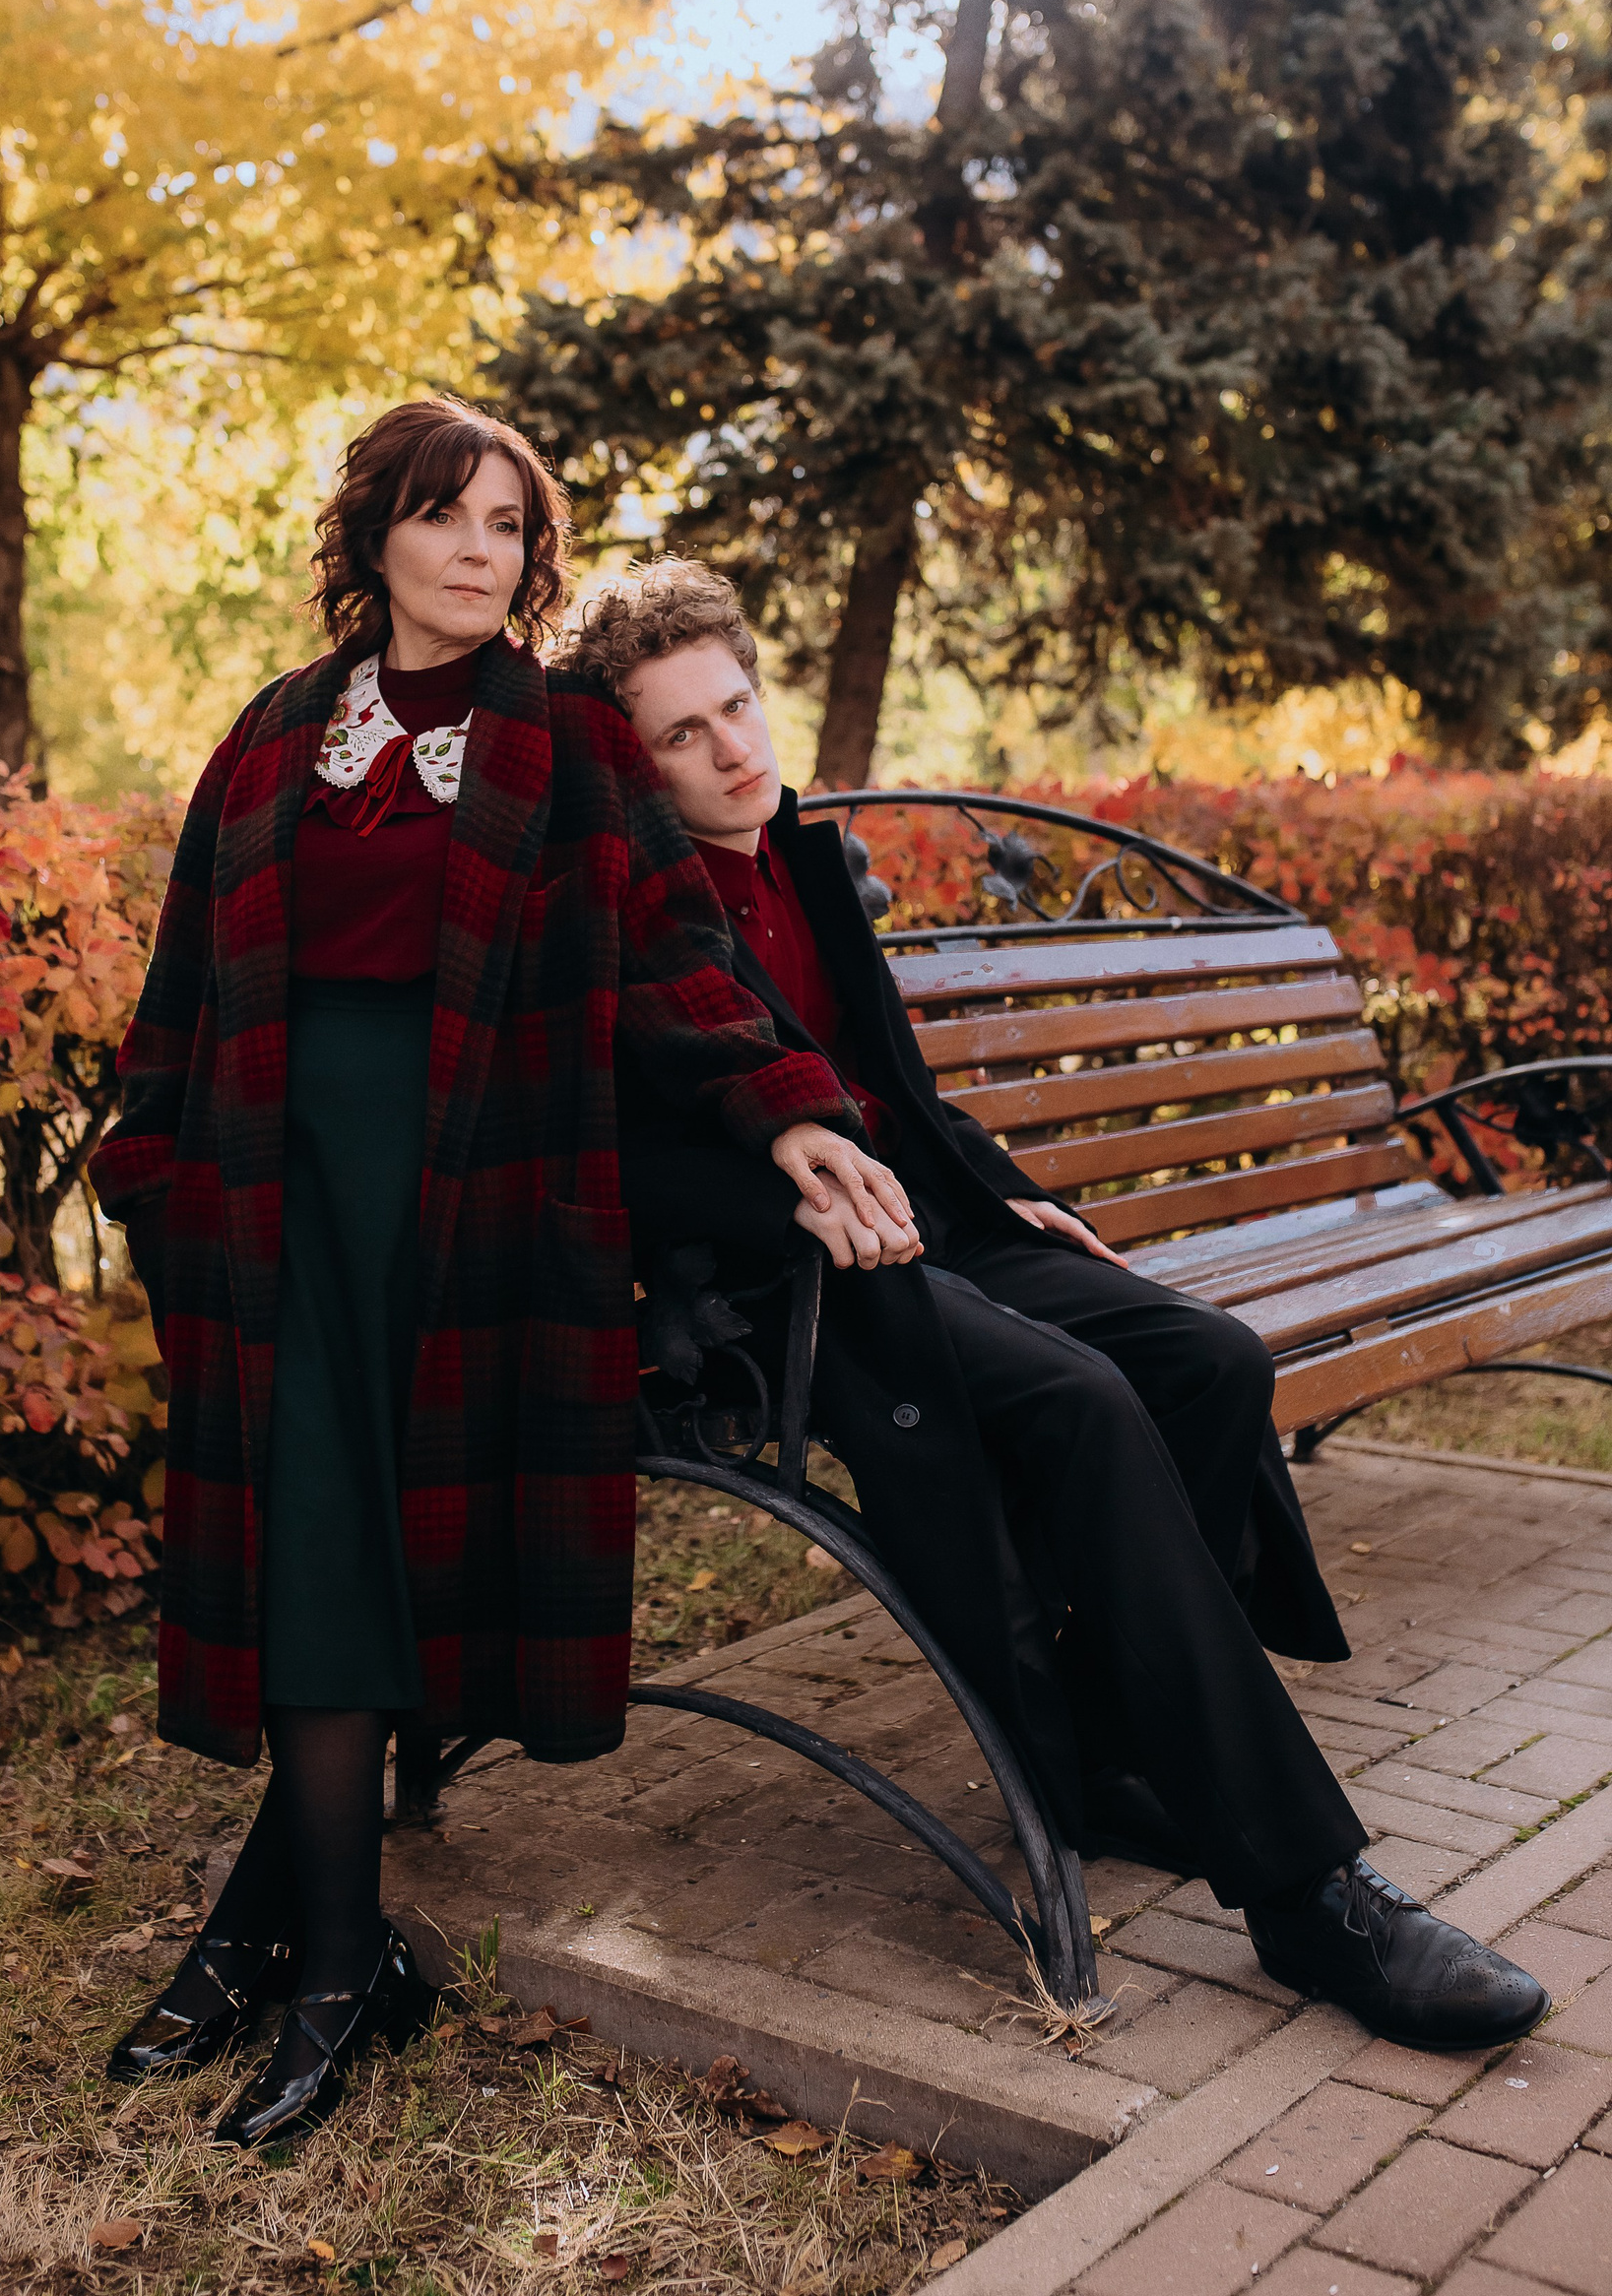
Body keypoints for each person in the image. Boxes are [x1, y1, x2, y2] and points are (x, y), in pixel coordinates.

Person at [551, 559, 1549, 2053]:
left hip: (935, 1225)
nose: (732, 748)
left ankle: (1104, 1749)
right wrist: (793, 1195)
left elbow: (890, 1082)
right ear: (635, 768)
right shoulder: (639, 911)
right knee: (1083, 1403)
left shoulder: (801, 856)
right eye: (681, 734)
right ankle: (1309, 1894)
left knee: (1208, 1360)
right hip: (800, 1284)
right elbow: (621, 1143)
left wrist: (1001, 1189)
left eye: (737, 706)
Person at [88, 402, 913, 2150]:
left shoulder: (566, 745)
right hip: (276, 1199)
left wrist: (788, 1111)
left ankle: (311, 1963)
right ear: (373, 536)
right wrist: (150, 1173)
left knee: (388, 1551)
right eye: (445, 516)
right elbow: (185, 976)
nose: (482, 551)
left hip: (481, 1206)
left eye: (511, 526)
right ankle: (328, 1960)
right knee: (317, 1544)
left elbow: (677, 964)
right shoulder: (276, 733)